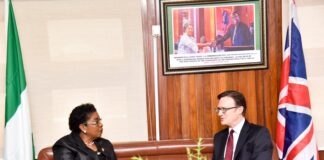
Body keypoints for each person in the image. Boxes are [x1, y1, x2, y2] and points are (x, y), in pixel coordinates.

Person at [212, 90, 273, 160]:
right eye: (219, 109)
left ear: (239, 110)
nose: (219, 114)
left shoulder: (259, 133)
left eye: (224, 109)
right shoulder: (219, 137)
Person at [53, 103, 117, 160]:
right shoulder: (65, 145)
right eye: (96, 122)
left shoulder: (105, 144)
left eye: (100, 121)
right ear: (83, 127)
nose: (101, 124)